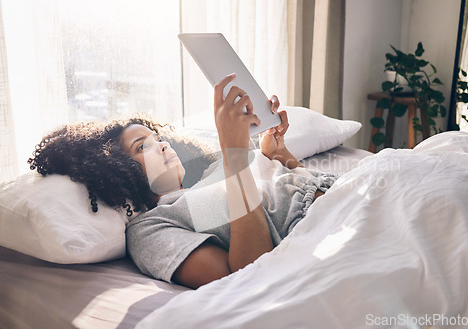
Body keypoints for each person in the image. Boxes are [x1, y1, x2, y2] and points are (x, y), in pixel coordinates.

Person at [29, 74, 340, 289]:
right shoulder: (151, 229)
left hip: (346, 192)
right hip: (334, 229)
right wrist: (235, 154)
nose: (163, 145)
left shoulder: (209, 174)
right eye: (142, 147)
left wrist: (277, 152)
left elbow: (303, 188)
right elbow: (246, 275)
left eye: (158, 137)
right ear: (116, 171)